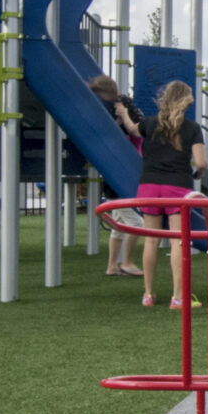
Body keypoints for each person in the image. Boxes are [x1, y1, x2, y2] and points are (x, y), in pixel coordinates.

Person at [134, 79, 208, 308]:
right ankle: (178, 297)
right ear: (187, 101)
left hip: (149, 186)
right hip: (177, 186)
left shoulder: (149, 123)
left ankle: (148, 294)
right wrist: (199, 173)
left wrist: (123, 114)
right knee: (178, 242)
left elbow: (131, 128)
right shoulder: (192, 128)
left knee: (151, 240)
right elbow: (201, 161)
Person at [89, 74, 145, 277]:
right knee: (137, 223)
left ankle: (112, 266)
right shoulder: (116, 108)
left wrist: (122, 116)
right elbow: (137, 131)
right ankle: (127, 262)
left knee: (119, 225)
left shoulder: (122, 104)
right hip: (122, 171)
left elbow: (138, 130)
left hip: (121, 167)